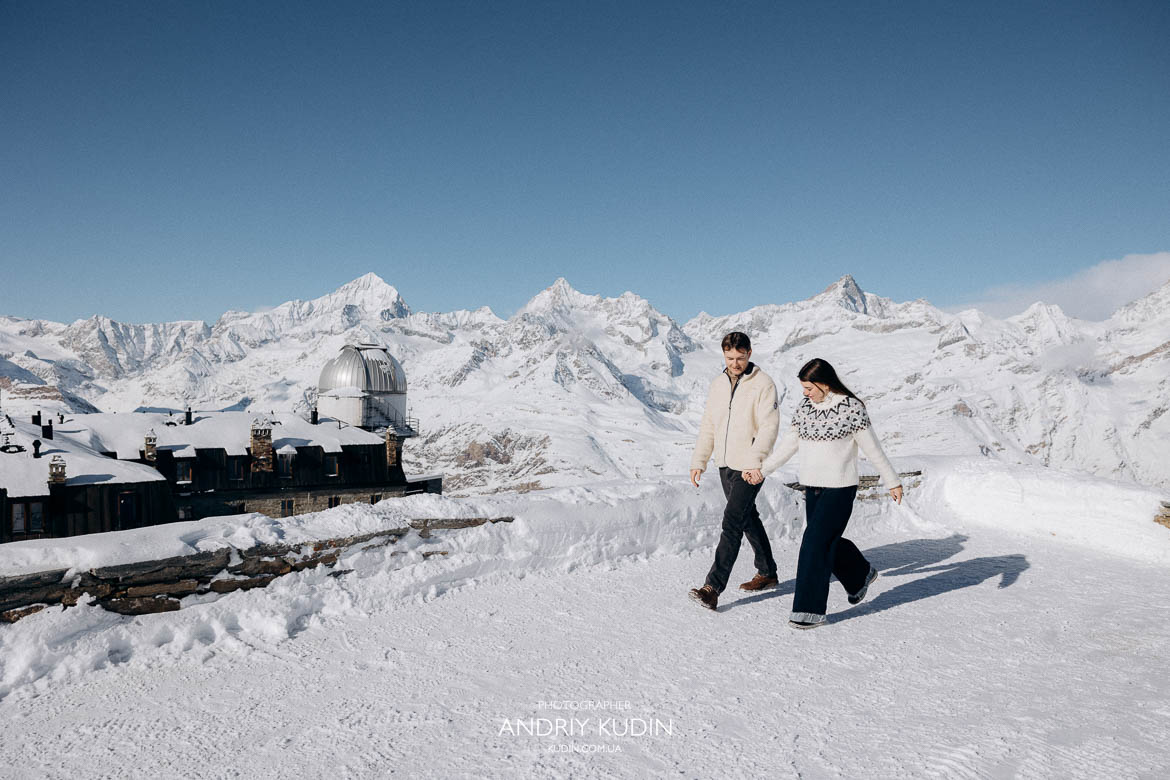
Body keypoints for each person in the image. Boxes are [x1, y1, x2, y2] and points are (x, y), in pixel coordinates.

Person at [744, 357, 902, 629]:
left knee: (812, 546)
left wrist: (892, 481)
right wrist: (762, 470)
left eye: (809, 388)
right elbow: (788, 446)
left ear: (825, 383)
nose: (805, 394)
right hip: (813, 488)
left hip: (840, 488)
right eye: (804, 389)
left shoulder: (851, 409)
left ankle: (808, 611)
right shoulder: (806, 408)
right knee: (827, 541)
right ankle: (860, 573)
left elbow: (873, 449)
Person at [687, 331, 781, 611]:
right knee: (747, 517)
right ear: (723, 354)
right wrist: (699, 460)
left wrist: (756, 461)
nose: (735, 363)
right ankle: (767, 573)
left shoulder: (763, 384)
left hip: (750, 465)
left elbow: (769, 427)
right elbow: (709, 426)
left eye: (740, 358)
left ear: (750, 353)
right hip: (724, 463)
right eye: (730, 358)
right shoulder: (717, 384)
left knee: (732, 522)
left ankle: (712, 588)